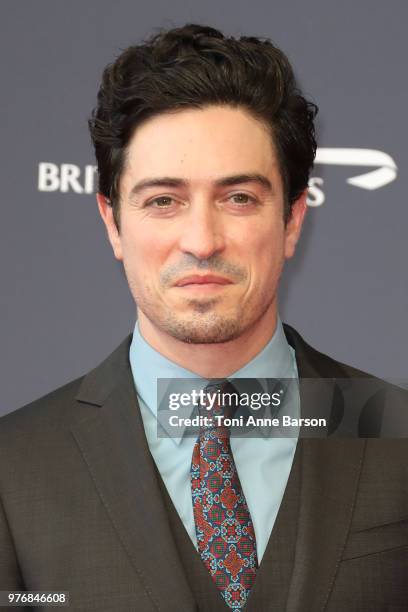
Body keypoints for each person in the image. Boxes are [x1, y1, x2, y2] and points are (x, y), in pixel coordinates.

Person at [0, 23, 407, 612]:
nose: (202, 240)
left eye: (238, 198)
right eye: (163, 200)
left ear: (292, 219)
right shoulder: (14, 469)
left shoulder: (395, 433)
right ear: (113, 222)